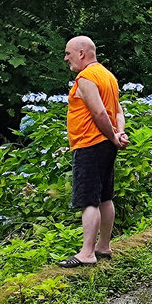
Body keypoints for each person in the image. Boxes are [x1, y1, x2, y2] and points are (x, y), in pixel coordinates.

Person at [58, 35, 129, 267]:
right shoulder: (108, 76)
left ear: (81, 53)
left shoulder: (86, 77)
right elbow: (118, 112)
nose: (66, 57)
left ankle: (87, 253)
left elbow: (99, 113)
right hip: (106, 144)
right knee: (105, 197)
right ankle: (103, 246)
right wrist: (118, 134)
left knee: (90, 199)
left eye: (68, 53)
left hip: (89, 143)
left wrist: (112, 136)